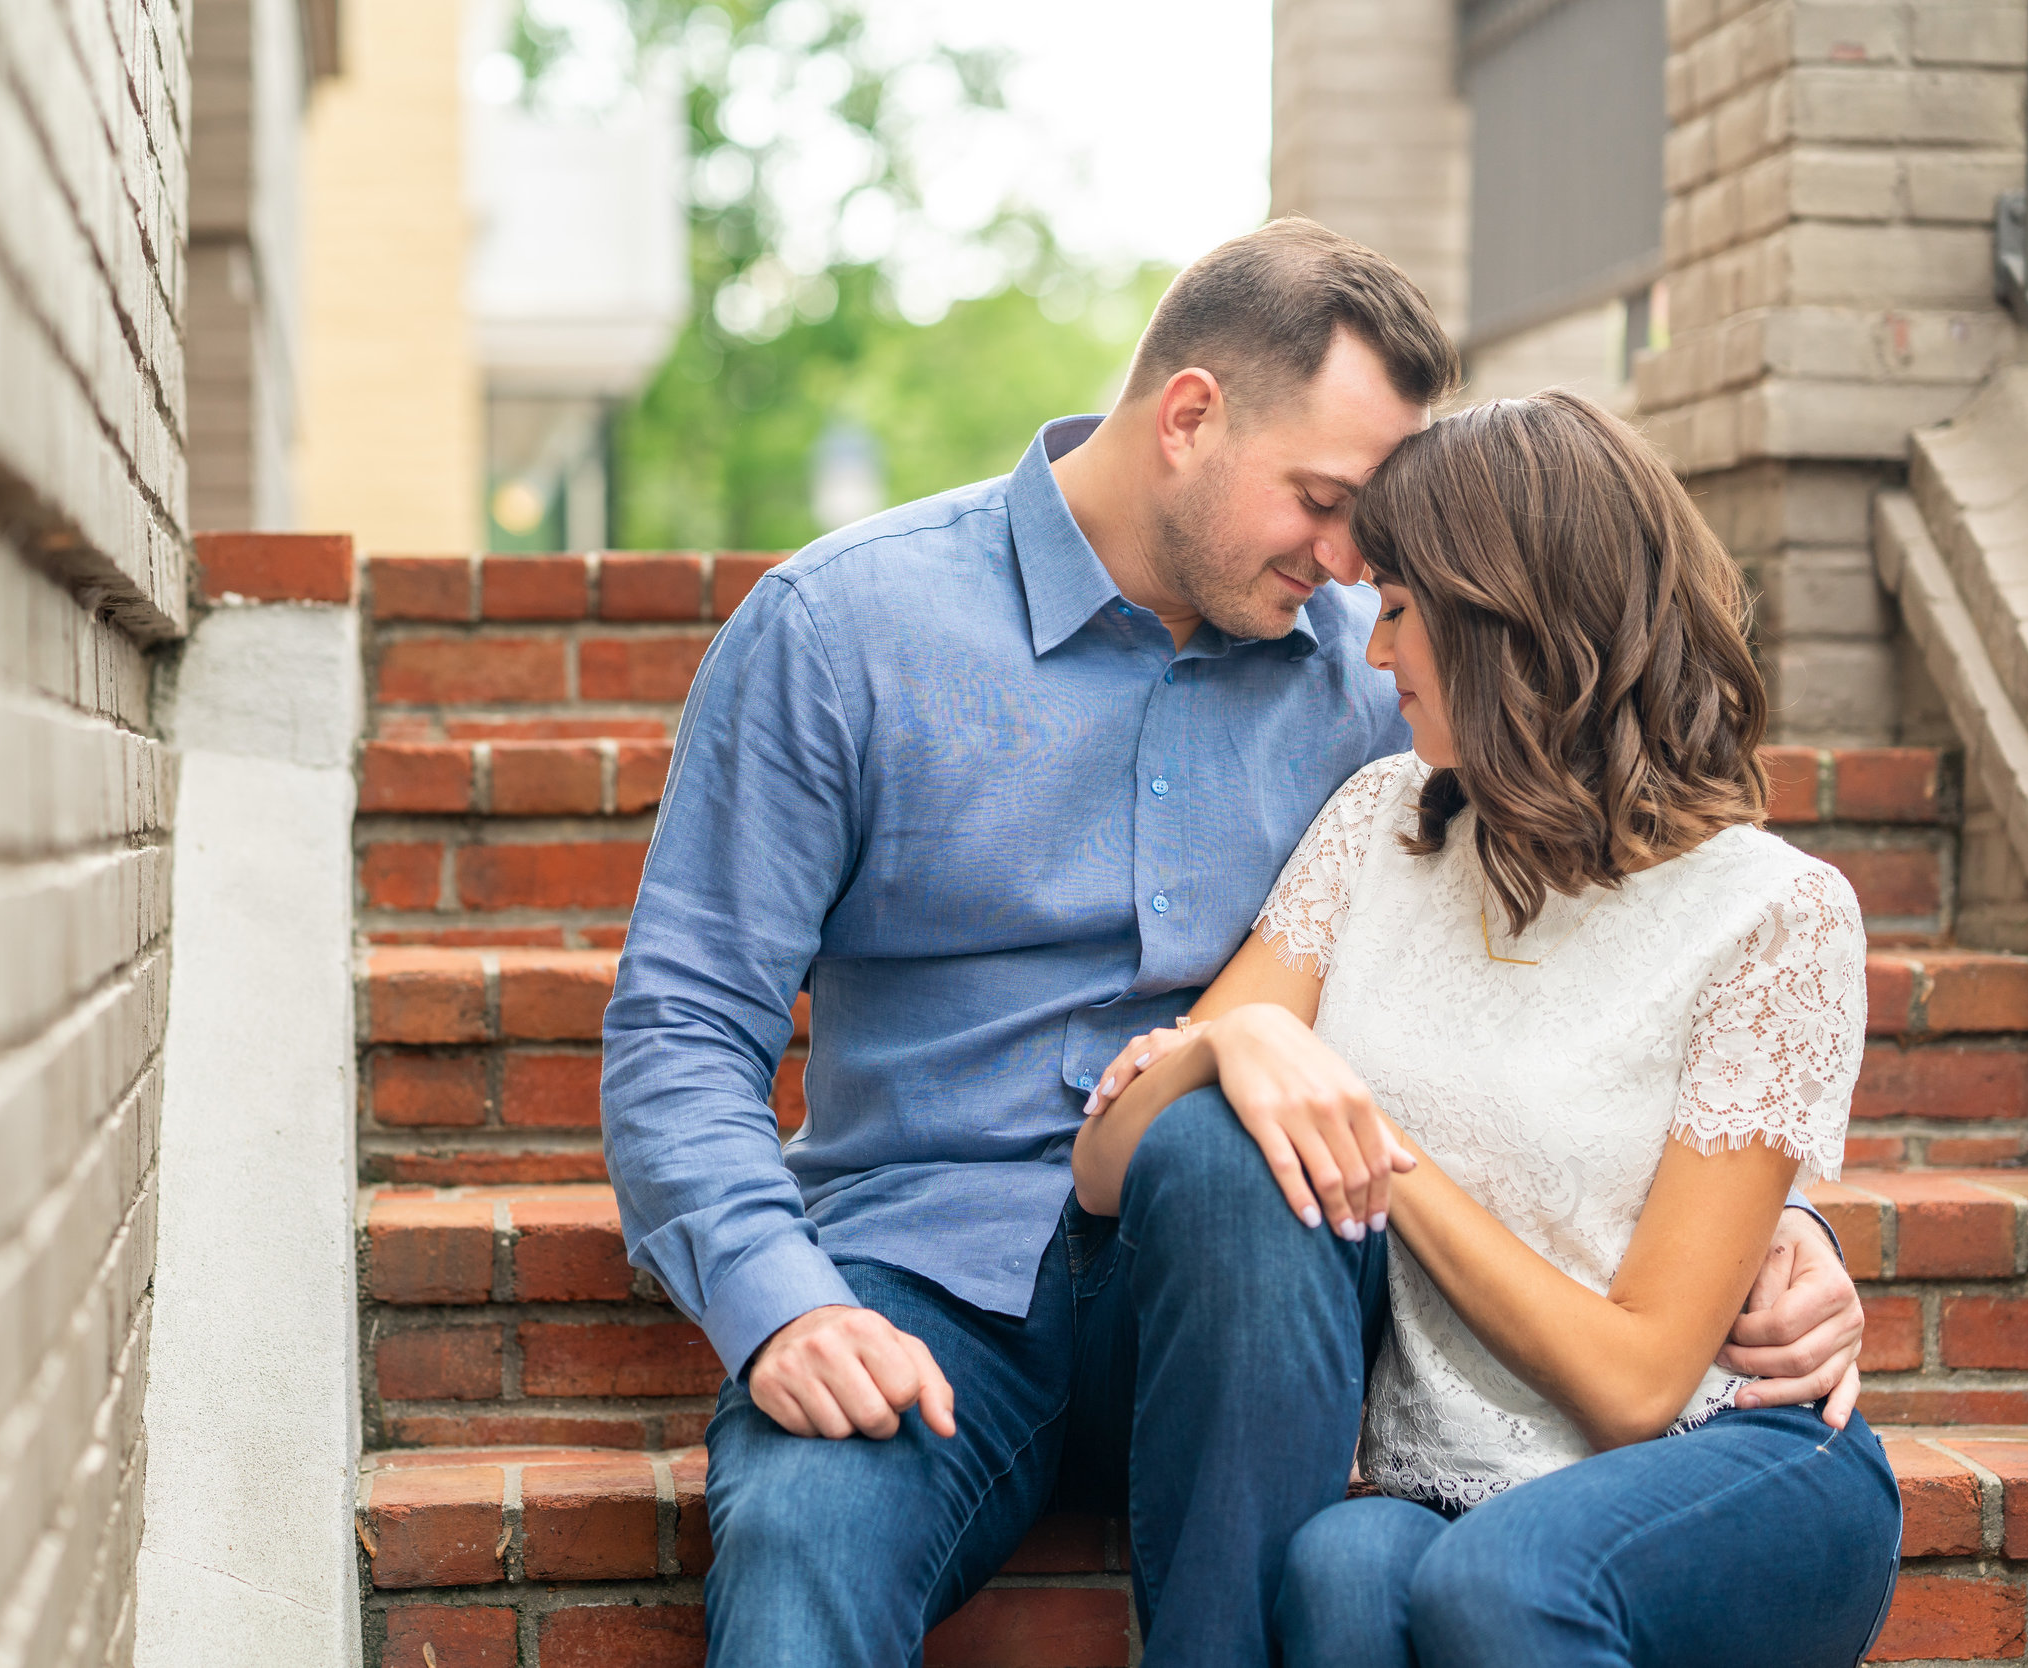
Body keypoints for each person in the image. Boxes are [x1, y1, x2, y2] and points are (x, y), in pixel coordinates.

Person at [600, 220, 1870, 1667]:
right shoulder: (842, 630)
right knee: (802, 1541)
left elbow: (1624, 944)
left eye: (1375, 540)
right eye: (1325, 501)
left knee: (1226, 1158)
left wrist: (1780, 1226)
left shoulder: (1390, 675)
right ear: (1192, 419)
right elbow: (682, 1034)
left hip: (1264, 1293)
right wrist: (780, 1311)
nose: (1347, 572)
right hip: (925, 1278)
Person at [1078, 390, 1901, 1666]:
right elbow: (1112, 1161)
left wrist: (1370, 1139)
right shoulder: (1380, 824)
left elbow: (1637, 1387)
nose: (1370, 655)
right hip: (1441, 1482)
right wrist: (1230, 1044)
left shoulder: (1776, 916)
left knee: (1503, 1584)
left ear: (1511, 626)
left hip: (1724, 1457)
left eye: (1399, 612)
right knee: (1339, 1567)